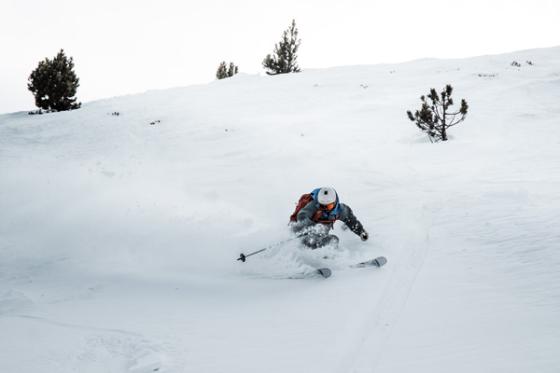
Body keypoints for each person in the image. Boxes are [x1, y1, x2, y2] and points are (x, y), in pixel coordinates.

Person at [289, 187, 369, 249]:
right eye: (322, 205)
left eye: (328, 206)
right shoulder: (313, 205)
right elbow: (302, 215)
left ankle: (328, 259)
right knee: (327, 240)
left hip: (320, 234)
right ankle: (314, 258)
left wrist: (361, 232)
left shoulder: (341, 210)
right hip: (303, 230)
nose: (325, 208)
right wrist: (311, 228)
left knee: (333, 240)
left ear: (335, 203)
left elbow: (351, 221)